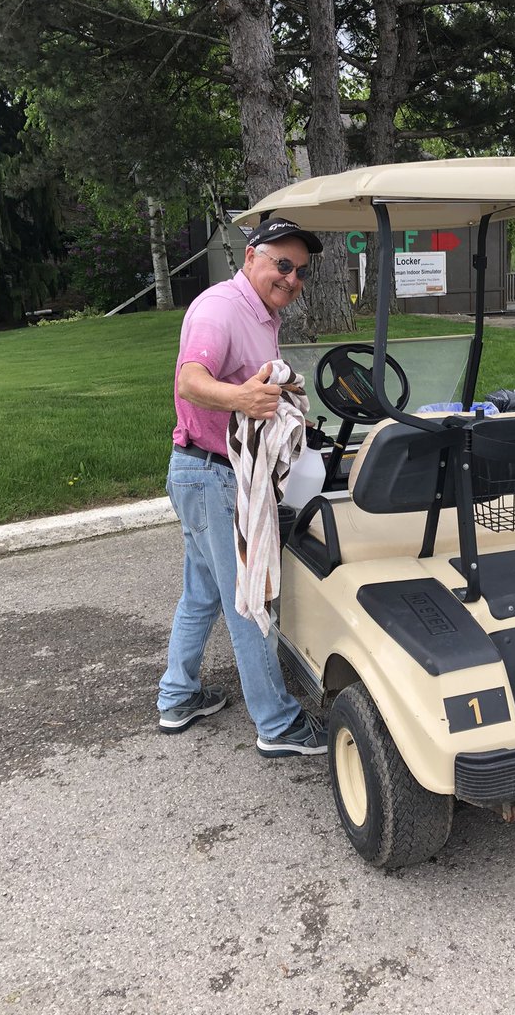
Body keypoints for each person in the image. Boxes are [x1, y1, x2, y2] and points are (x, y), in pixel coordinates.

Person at [157, 217, 328, 757]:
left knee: (202, 592)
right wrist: (242, 399)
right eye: (283, 264)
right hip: (215, 475)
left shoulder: (261, 312)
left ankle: (178, 695)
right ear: (251, 256)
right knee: (250, 601)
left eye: (300, 271)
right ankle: (278, 725)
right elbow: (190, 381)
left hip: (202, 470)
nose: (292, 278)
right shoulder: (221, 308)